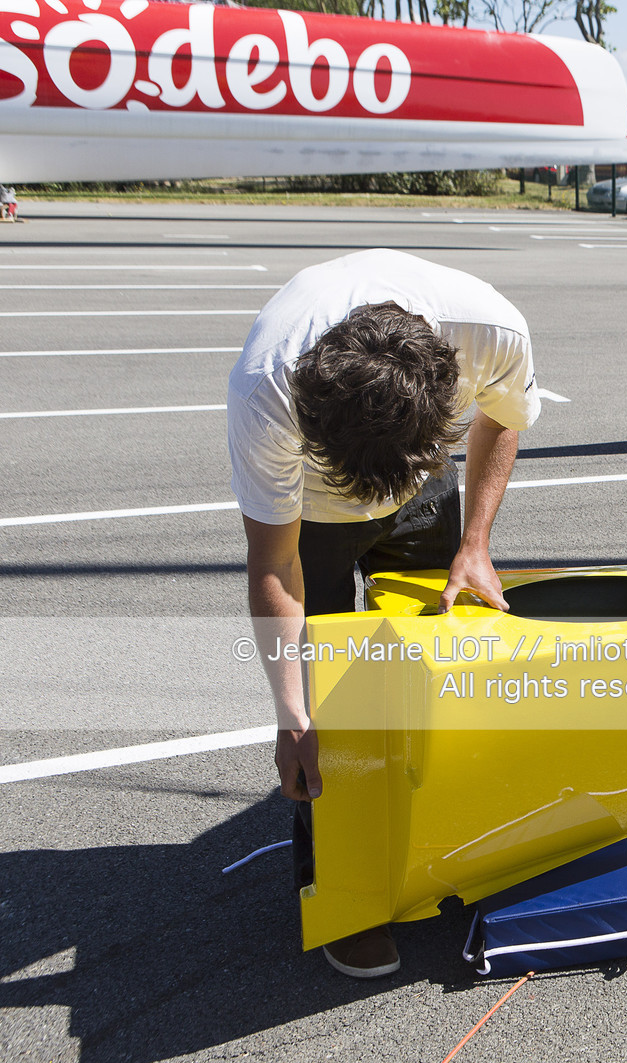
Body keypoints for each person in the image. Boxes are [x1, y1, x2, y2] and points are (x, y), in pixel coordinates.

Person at [228, 248, 539, 977]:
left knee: (437, 668)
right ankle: (345, 888)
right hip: (316, 510)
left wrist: (475, 543)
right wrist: (292, 719)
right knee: (334, 701)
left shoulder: (492, 331)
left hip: (422, 476)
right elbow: (273, 564)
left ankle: (445, 849)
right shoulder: (267, 393)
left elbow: (503, 420)